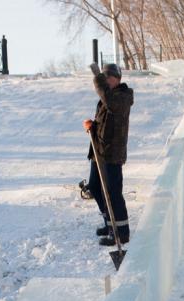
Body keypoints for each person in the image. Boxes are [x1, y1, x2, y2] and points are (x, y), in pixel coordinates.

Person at [83, 62, 133, 247]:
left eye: (110, 77)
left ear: (118, 79)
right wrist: (92, 125)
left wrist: (97, 78)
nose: (107, 80)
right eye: (105, 78)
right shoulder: (106, 98)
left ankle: (121, 232)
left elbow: (112, 105)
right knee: (95, 188)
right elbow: (107, 124)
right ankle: (109, 223)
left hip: (112, 154)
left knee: (113, 193)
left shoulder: (123, 96)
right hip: (99, 152)